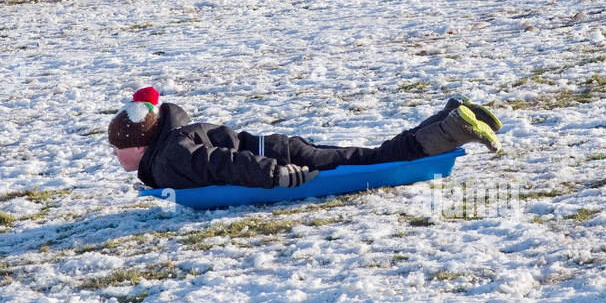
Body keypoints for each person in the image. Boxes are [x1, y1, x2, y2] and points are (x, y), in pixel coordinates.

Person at [107, 86, 503, 190]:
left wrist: (278, 175)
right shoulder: (171, 141)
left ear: (139, 146)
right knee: (369, 155)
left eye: (118, 149)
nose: (116, 156)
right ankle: (449, 116)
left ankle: (453, 128)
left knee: (374, 162)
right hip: (278, 145)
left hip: (282, 157)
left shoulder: (169, 158)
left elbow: (224, 164)